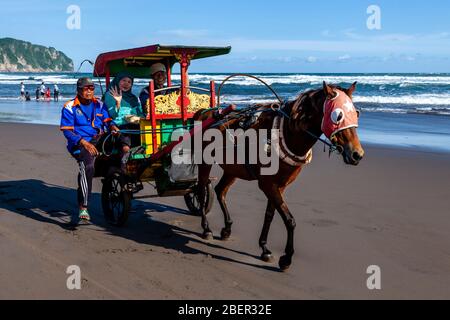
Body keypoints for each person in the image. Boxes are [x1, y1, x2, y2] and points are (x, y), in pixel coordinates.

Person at [60, 77, 130, 225]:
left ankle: (125, 154)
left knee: (122, 134)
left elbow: (108, 121)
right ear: (78, 90)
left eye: (91, 88)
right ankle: (83, 206)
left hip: (99, 139)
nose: (90, 91)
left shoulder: (99, 104)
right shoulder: (69, 107)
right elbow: (67, 132)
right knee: (89, 167)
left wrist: (112, 126)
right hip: (80, 143)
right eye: (86, 88)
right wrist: (84, 143)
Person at [104, 71, 143, 147]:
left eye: (129, 82)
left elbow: (139, 113)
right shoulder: (110, 95)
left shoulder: (133, 98)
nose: (126, 84)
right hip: (118, 126)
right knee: (125, 143)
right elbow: (112, 115)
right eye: (124, 80)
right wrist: (118, 102)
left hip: (134, 125)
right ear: (118, 81)